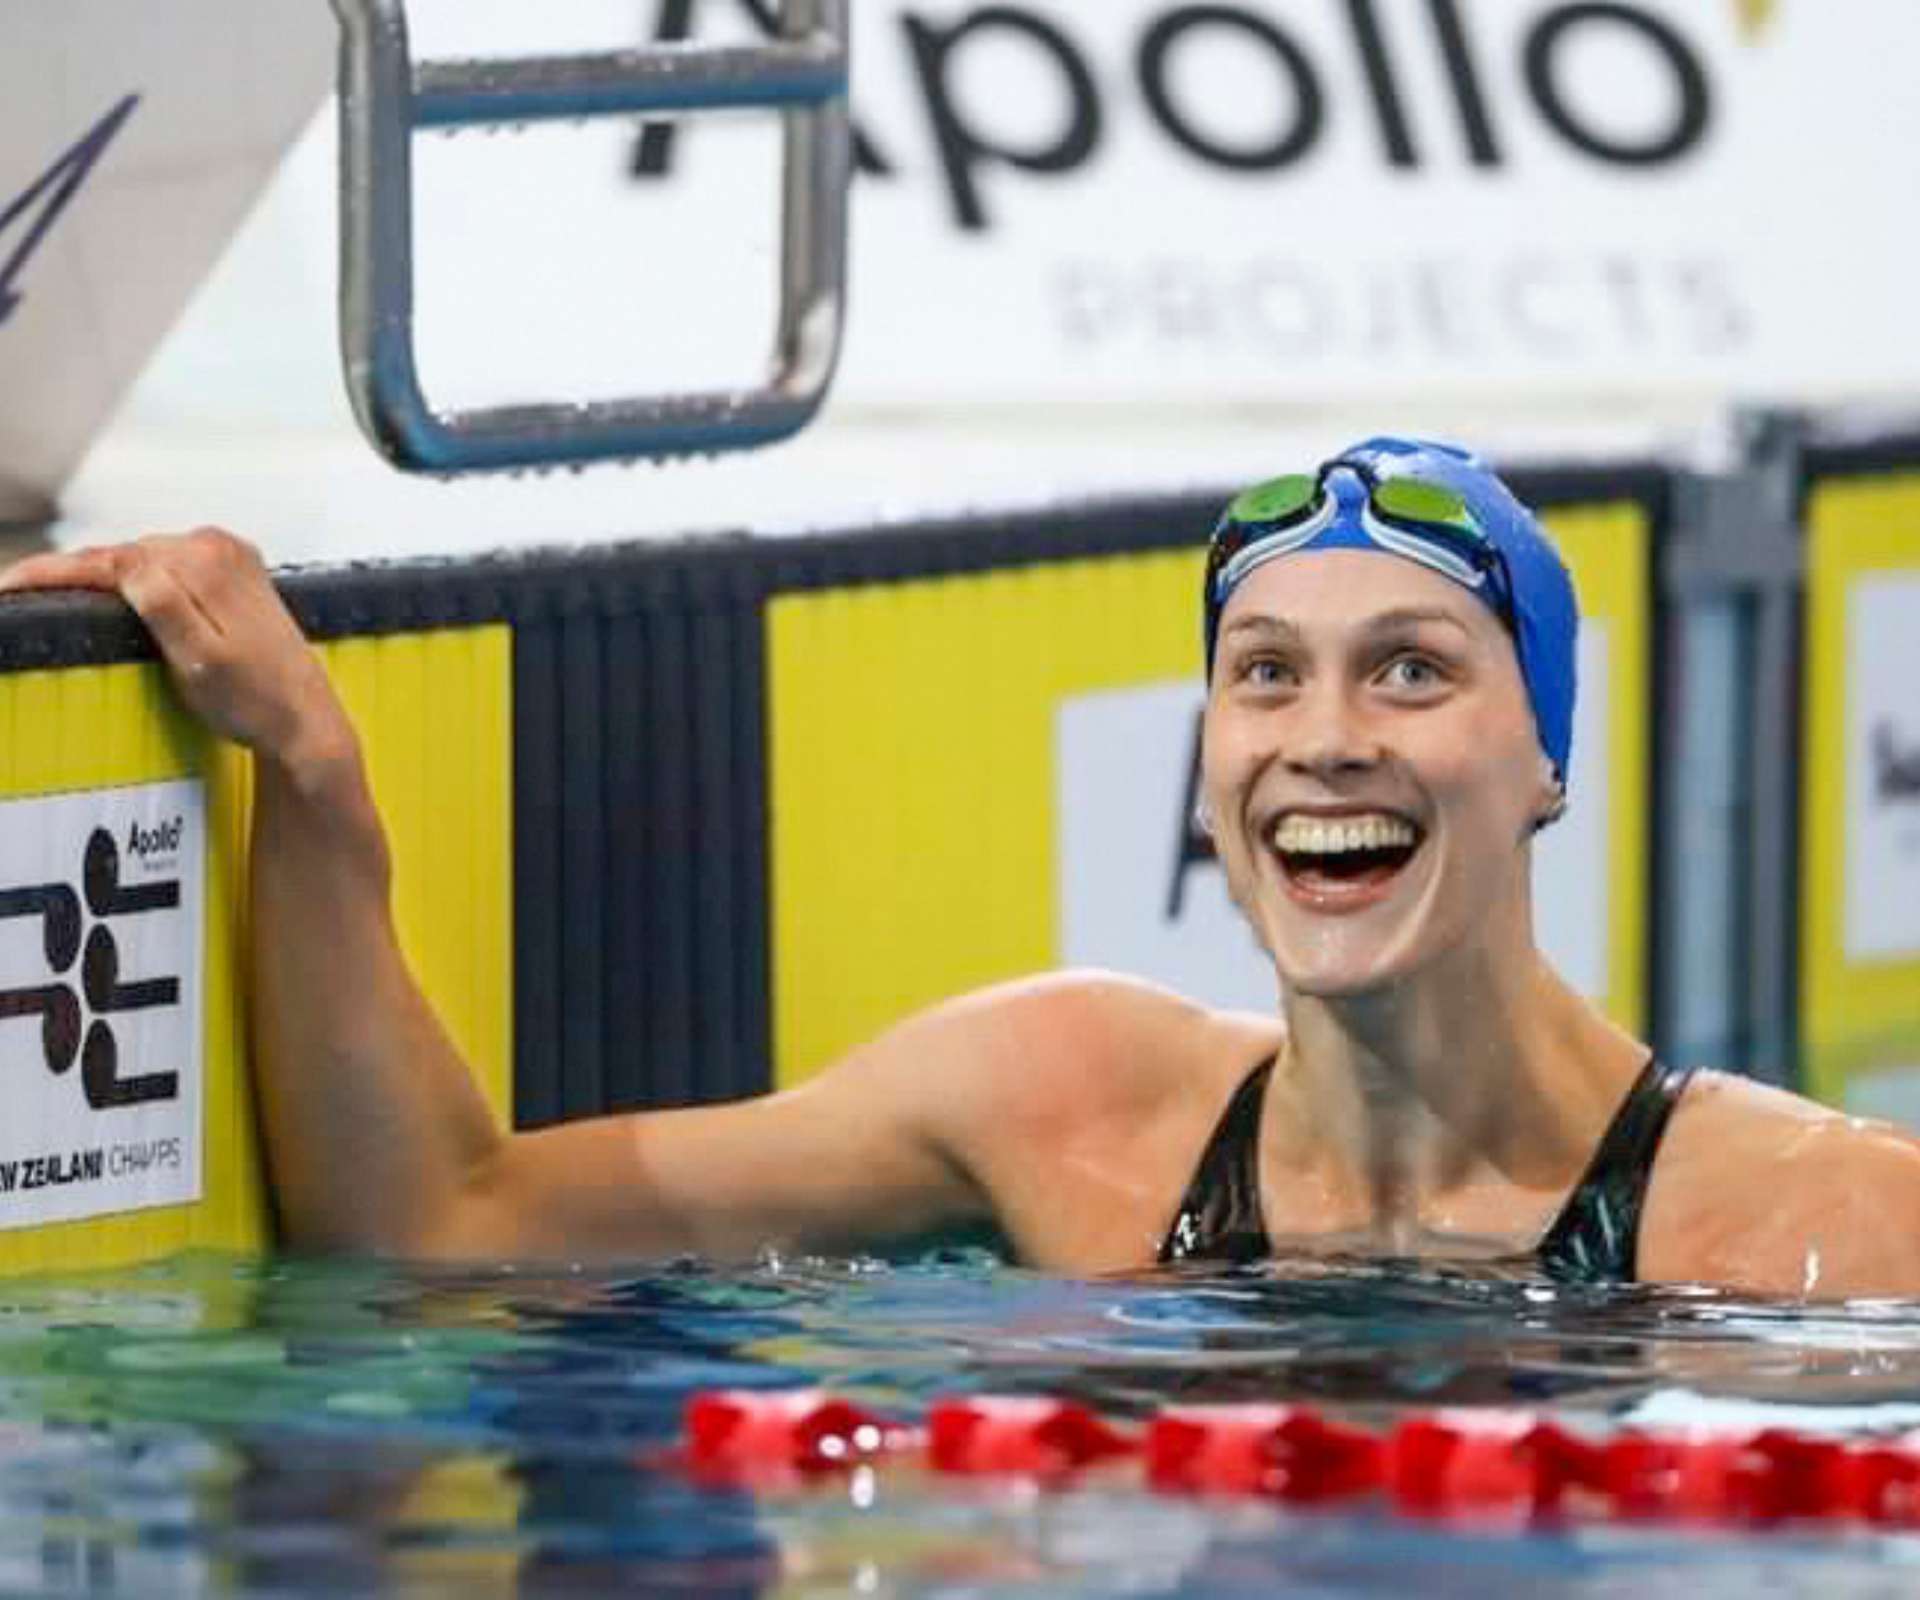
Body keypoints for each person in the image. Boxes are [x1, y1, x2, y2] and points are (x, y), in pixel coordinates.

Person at [4, 437, 1917, 1298]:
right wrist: (315, 781)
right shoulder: (1060, 1103)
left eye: (1411, 672)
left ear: (1547, 760)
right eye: (1266, 677)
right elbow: (437, 1222)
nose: (1325, 735)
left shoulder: (1810, 1231)